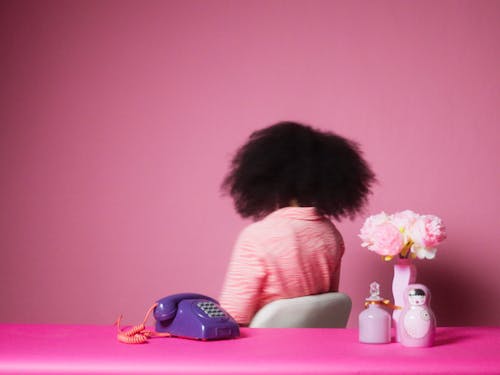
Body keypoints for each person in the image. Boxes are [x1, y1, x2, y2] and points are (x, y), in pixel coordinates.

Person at [219, 121, 375, 325]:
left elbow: (232, 317)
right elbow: (324, 304)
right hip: (313, 351)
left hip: (259, 353)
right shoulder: (330, 234)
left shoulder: (257, 237)